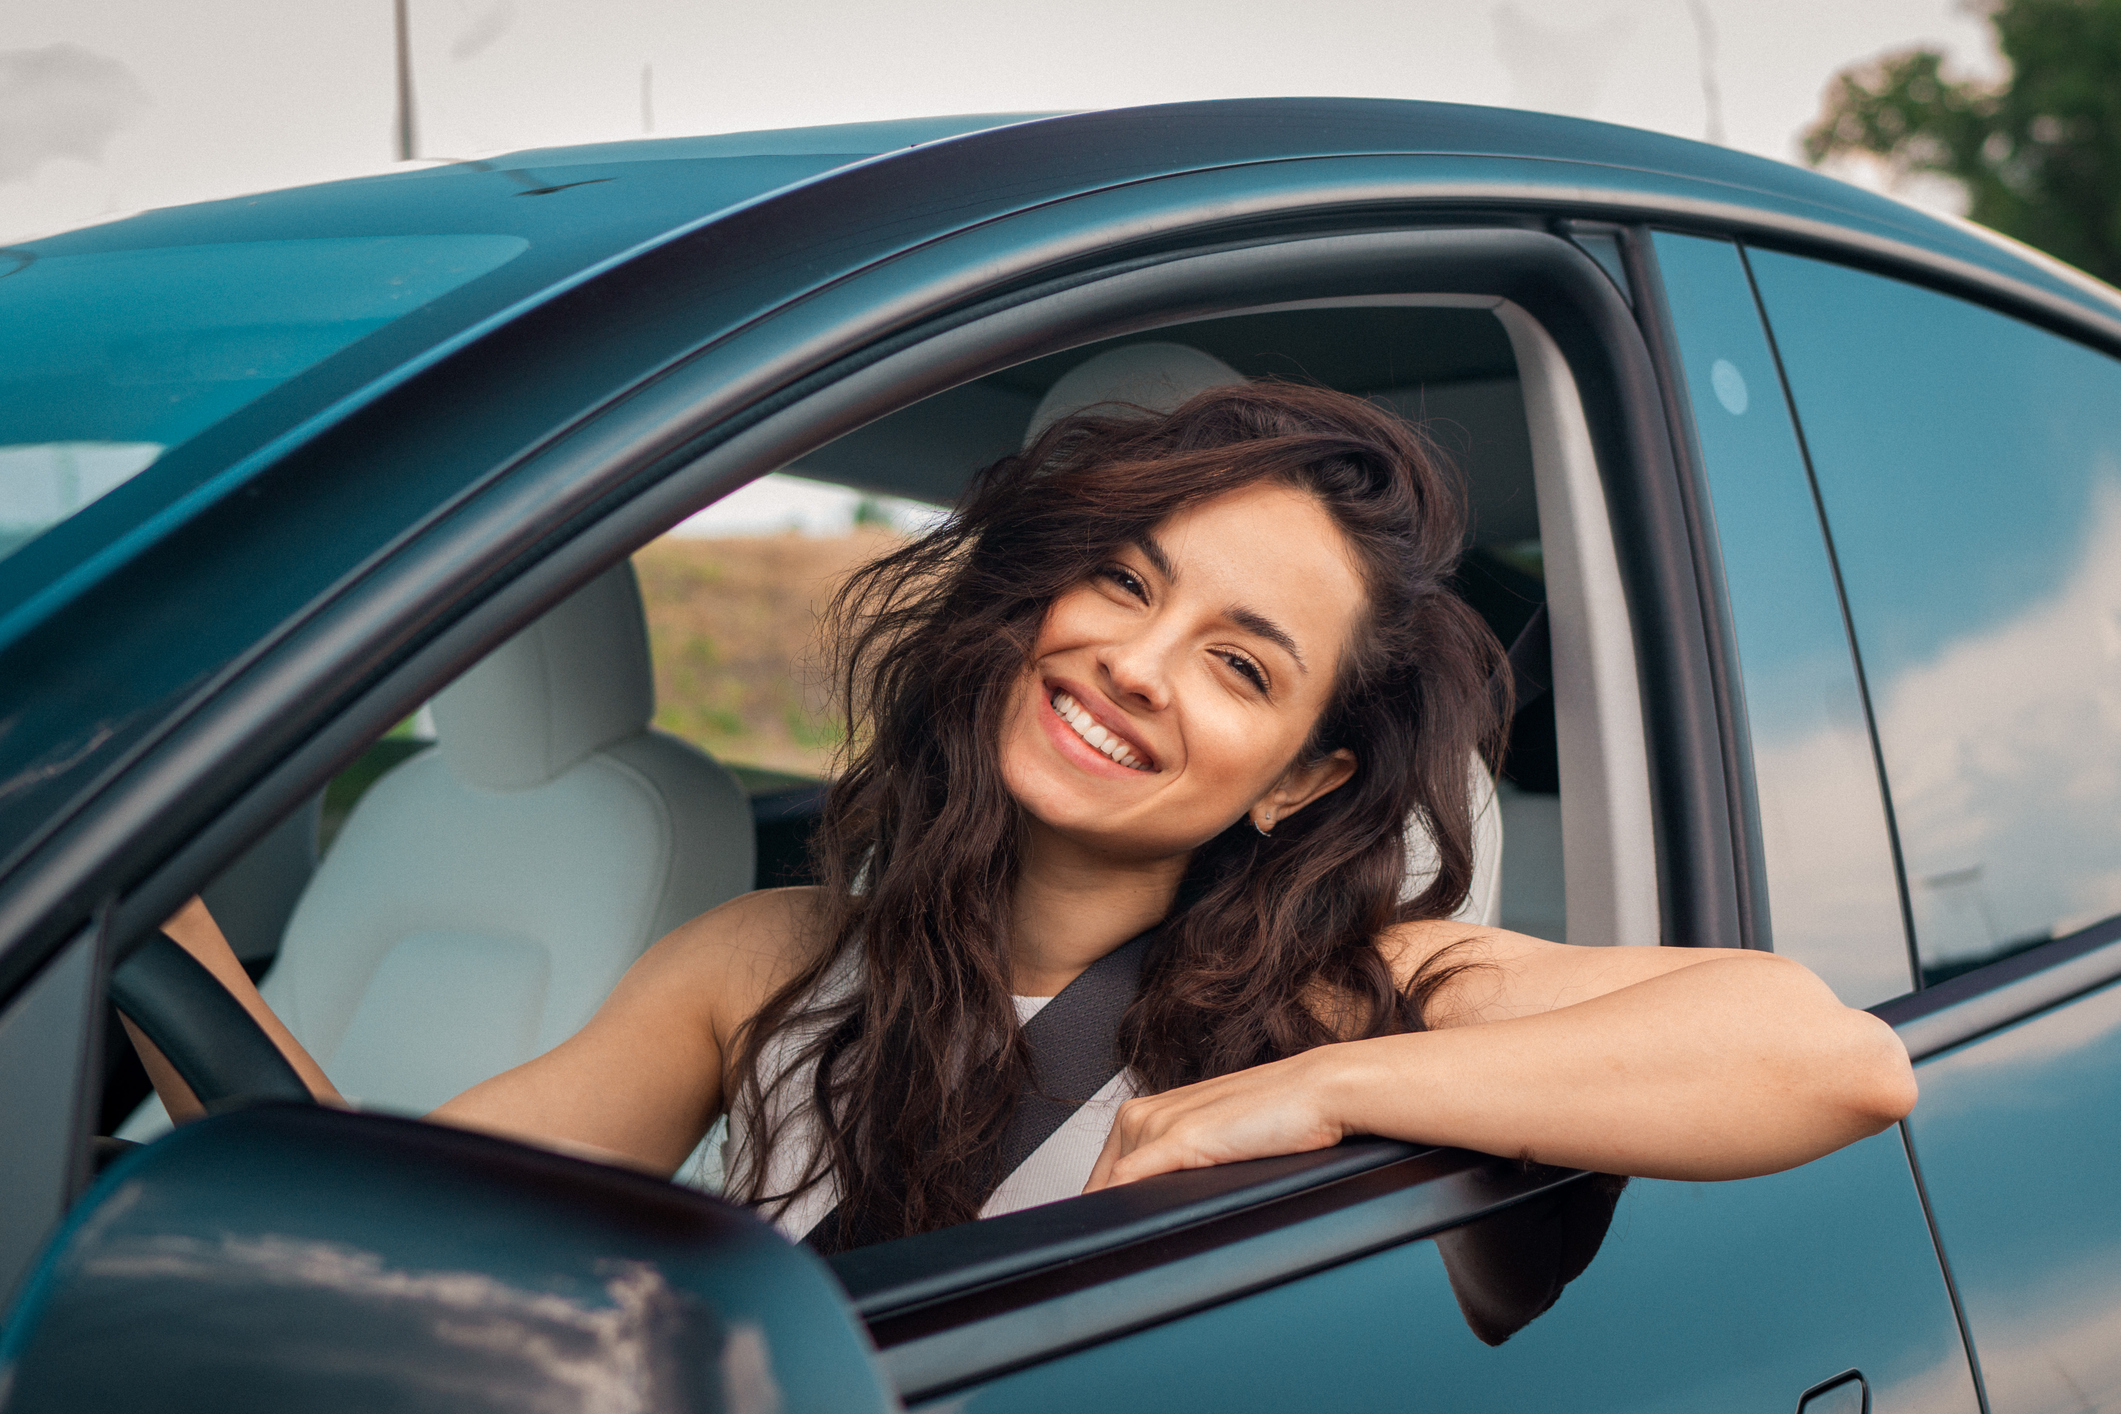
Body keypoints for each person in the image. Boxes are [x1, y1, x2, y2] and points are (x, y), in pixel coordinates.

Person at [137, 380, 1917, 1252]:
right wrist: (145, 927)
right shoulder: (757, 960)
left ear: (1300, 770)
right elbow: (369, 1231)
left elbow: (1828, 1059)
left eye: (1237, 661)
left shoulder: (1344, 984)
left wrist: (1320, 1085)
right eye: (1119, 583)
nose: (1134, 664)